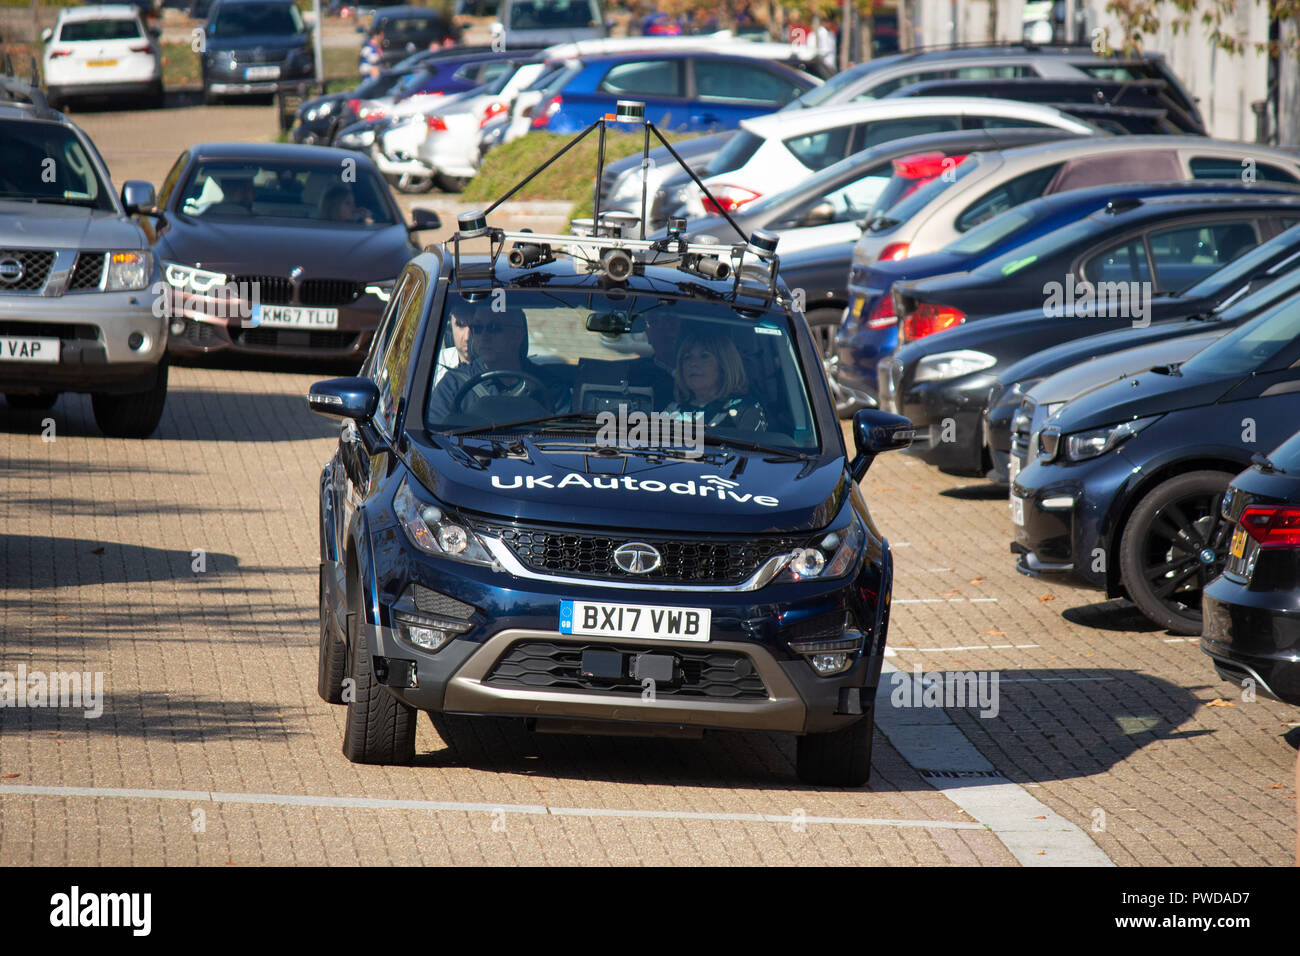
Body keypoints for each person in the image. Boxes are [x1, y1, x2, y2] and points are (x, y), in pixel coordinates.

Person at [428, 307, 569, 421]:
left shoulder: (549, 388)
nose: (483, 336)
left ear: (517, 334)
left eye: (494, 327)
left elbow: (563, 440)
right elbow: (436, 442)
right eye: (477, 328)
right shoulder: (453, 385)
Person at [664, 328, 765, 429]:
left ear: (724, 365)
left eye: (704, 356)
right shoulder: (672, 410)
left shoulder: (746, 411)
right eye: (687, 357)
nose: (693, 363)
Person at [432, 310, 473, 386]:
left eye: (475, 327)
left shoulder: (499, 367)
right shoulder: (435, 367)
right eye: (460, 325)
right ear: (450, 326)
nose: (467, 337)